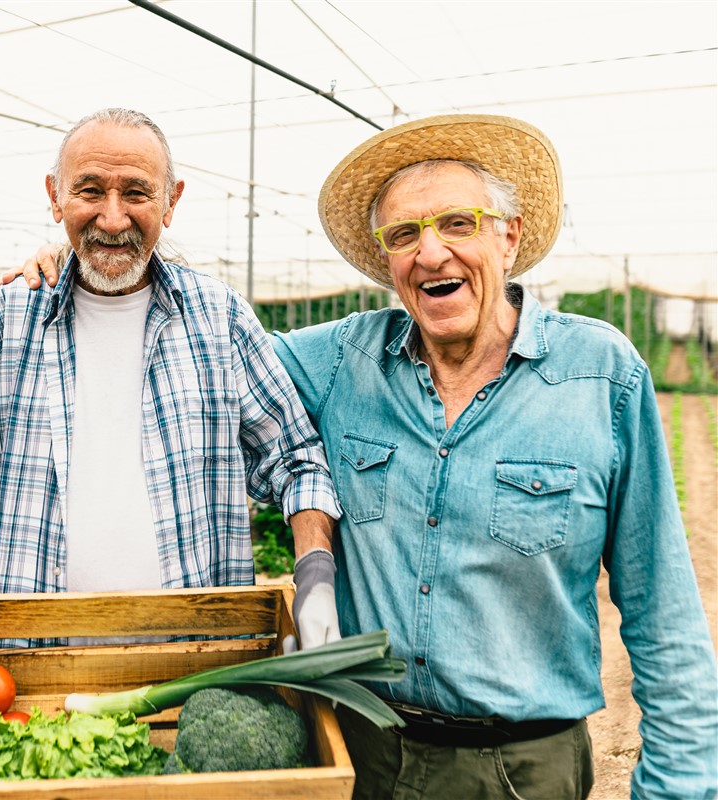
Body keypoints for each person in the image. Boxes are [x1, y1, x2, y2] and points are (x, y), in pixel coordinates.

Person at [271, 114, 718, 799]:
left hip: (521, 771)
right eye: (404, 234)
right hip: (364, 756)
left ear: (508, 237)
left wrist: (679, 787)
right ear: (388, 261)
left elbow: (662, 610)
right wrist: (97, 267)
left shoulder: (600, 377)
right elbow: (213, 354)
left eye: (457, 223)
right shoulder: (339, 361)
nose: (430, 253)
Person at [0, 107, 341, 696]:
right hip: (35, 671)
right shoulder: (8, 321)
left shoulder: (222, 317)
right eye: (90, 190)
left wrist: (314, 574)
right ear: (55, 197)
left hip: (198, 667)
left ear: (171, 200)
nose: (113, 218)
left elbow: (295, 459)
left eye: (137, 192)